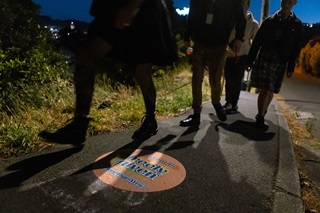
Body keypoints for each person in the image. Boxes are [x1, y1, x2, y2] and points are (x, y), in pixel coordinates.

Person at [39, 0, 178, 145]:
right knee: (87, 55)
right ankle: (79, 125)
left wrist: (133, 5)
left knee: (141, 70)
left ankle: (150, 118)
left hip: (138, 8)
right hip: (117, 6)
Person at [179, 0, 246, 127]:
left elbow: (240, 18)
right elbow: (192, 14)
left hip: (220, 44)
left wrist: (239, 38)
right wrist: (187, 37)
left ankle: (216, 102)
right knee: (196, 78)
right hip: (200, 42)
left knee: (215, 79)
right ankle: (196, 114)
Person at [246, 0, 302, 128]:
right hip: (265, 57)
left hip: (281, 60)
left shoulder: (296, 24)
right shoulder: (269, 22)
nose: (287, 3)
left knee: (271, 89)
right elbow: (257, 42)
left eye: (290, 0)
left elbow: (295, 47)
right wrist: (250, 61)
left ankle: (263, 110)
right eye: (285, 0)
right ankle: (260, 115)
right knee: (266, 88)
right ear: (281, 1)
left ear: (294, 3)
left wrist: (291, 66)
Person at [223, 0, 259, 114]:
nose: (242, 6)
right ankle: (228, 101)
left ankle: (234, 103)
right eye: (241, 3)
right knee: (228, 78)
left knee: (237, 79)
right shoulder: (231, 18)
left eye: (244, 3)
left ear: (248, 6)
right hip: (229, 54)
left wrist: (251, 59)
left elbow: (255, 43)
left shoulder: (253, 24)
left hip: (243, 55)